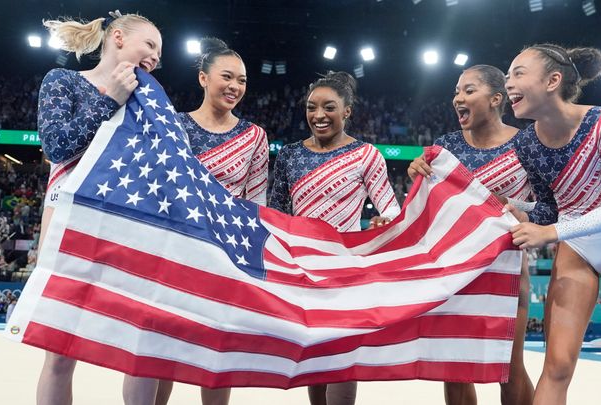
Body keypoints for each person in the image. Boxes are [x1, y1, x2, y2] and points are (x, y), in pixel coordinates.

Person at [504, 43, 601, 405]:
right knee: (556, 366)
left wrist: (550, 233)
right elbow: (549, 210)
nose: (508, 84)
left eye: (518, 73)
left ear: (553, 80)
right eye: (507, 76)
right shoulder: (526, 143)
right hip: (577, 246)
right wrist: (512, 205)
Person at [35, 10, 162, 405]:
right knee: (60, 354)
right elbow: (57, 145)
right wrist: (111, 99)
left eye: (160, 53)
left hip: (128, 226)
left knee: (143, 353)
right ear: (119, 38)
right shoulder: (63, 81)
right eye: (151, 45)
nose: (157, 58)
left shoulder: (150, 103)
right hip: (69, 223)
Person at [407, 64, 538, 405]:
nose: (457, 98)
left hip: (506, 267)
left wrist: (521, 209)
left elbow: (548, 206)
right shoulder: (445, 146)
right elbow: (433, 209)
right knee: (455, 368)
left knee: (508, 368)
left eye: (468, 90)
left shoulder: (527, 142)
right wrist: (417, 175)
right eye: (456, 91)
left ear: (497, 99)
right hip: (455, 270)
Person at [269, 71, 401, 405]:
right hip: (303, 269)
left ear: (347, 111)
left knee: (342, 357)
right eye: (312, 107)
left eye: (329, 107)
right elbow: (277, 214)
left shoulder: (365, 155)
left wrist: (382, 221)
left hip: (346, 269)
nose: (319, 116)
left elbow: (390, 210)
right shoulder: (289, 155)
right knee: (314, 355)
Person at [151, 36, 269, 405]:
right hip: (176, 251)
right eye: (227, 77)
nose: (235, 87)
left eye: (243, 80)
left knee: (218, 356)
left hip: (225, 257)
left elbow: (256, 205)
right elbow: (159, 190)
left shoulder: (254, 136)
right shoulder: (175, 126)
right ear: (203, 78)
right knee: (162, 354)